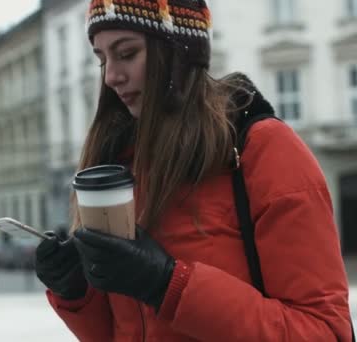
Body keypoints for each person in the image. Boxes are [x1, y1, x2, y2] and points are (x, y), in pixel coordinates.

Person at [34, 0, 354, 341]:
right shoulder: (120, 164)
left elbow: (324, 333)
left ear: (178, 52)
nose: (111, 76)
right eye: (102, 59)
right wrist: (76, 292)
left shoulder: (262, 150)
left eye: (126, 53)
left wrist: (167, 284)